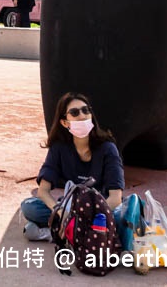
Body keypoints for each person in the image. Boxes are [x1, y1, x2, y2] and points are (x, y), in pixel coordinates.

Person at [20, 92, 124, 242]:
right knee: (29, 207)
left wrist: (89, 218)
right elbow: (43, 191)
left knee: (121, 216)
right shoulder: (59, 148)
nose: (82, 115)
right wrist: (62, 212)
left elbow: (116, 197)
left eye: (86, 110)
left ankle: (60, 232)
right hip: (70, 208)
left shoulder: (107, 148)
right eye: (74, 113)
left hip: (102, 210)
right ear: (64, 122)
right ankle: (77, 232)